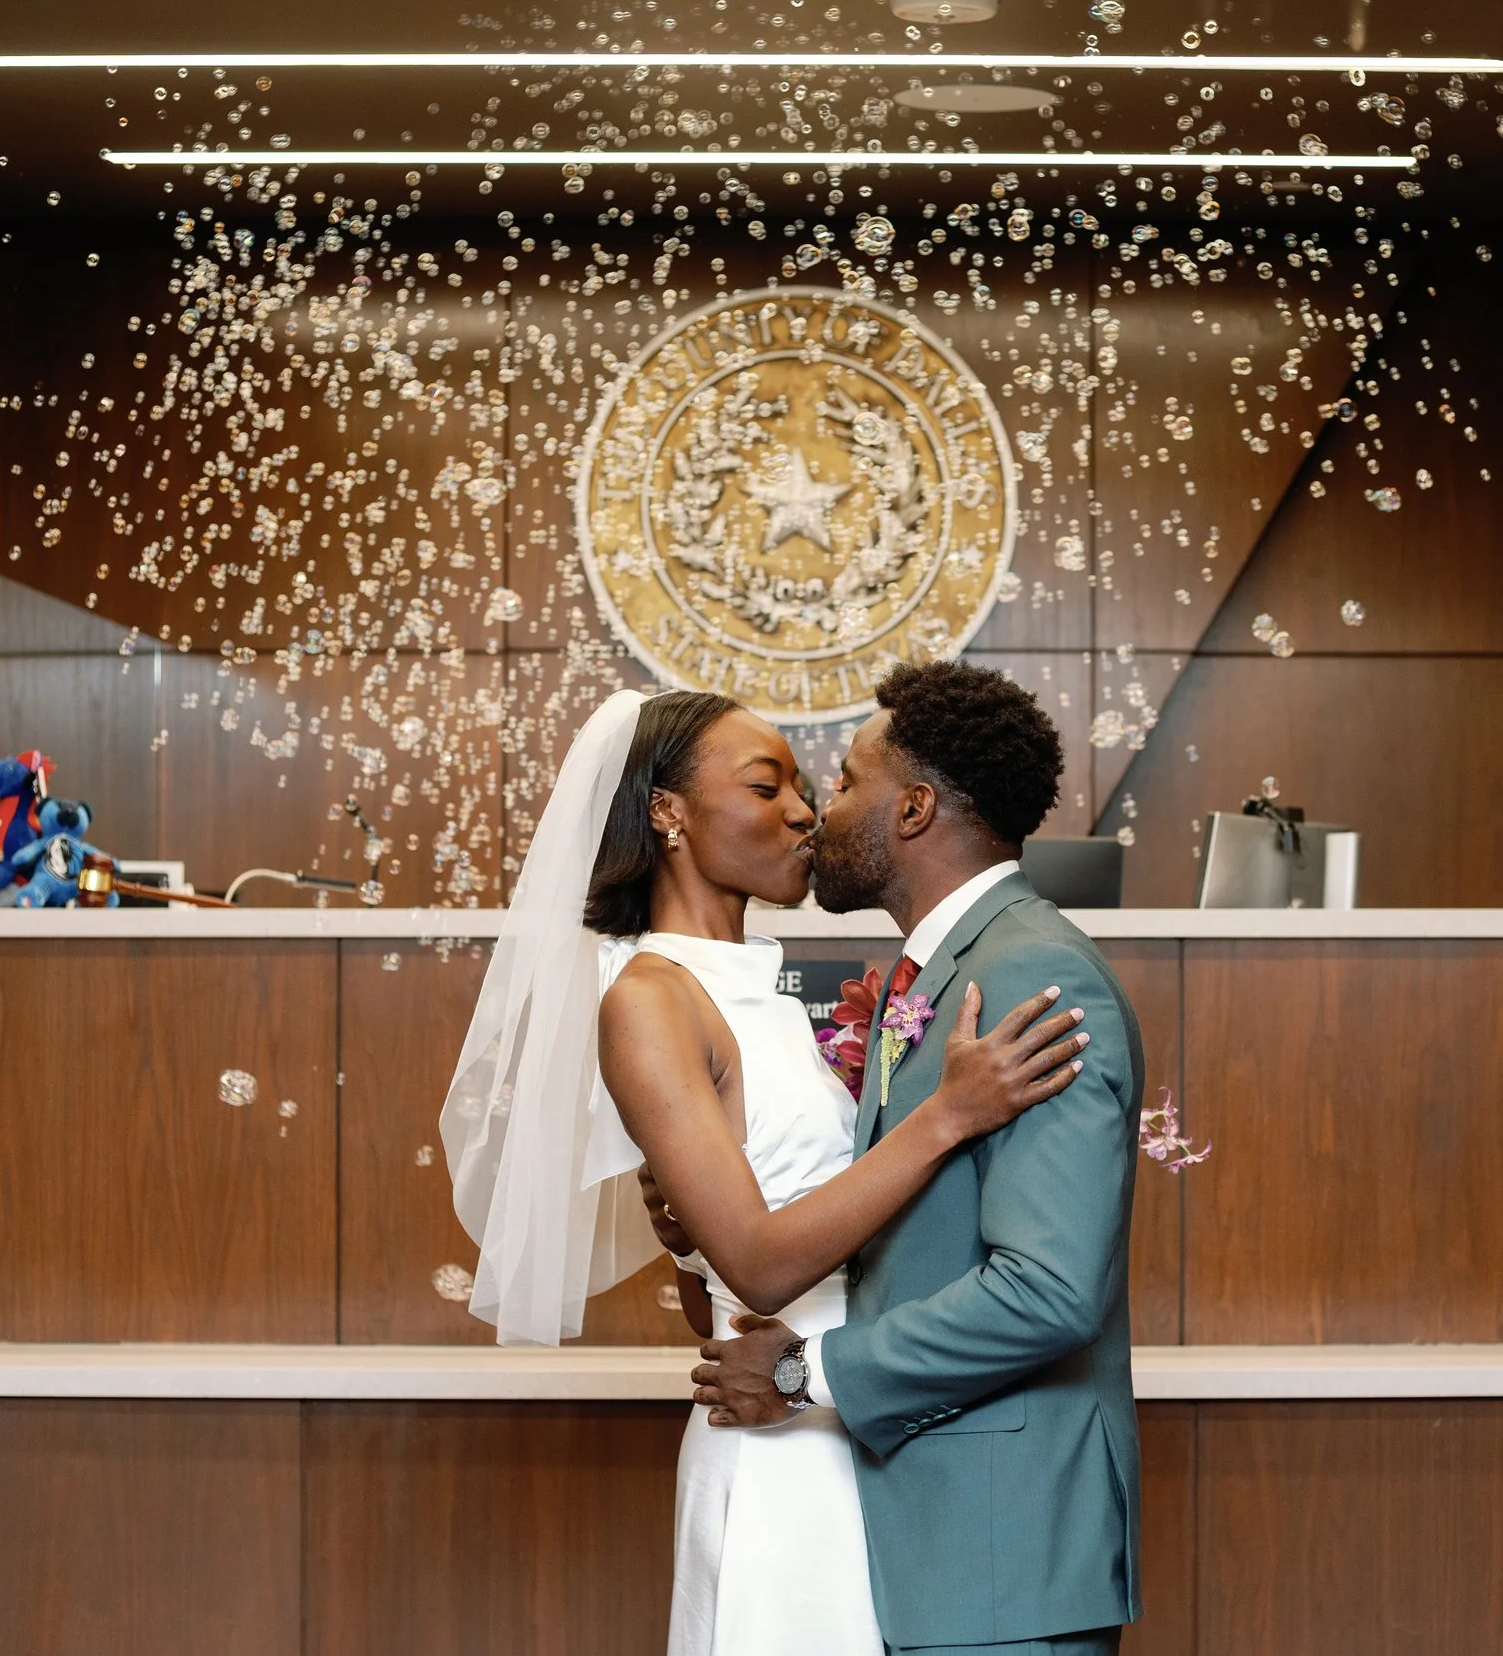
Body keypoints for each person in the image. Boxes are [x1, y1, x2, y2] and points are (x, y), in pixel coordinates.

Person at [439, 684, 1087, 1656]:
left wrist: (685, 1247)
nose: (800, 808)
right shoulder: (649, 997)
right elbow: (758, 1264)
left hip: (827, 1407)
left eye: (806, 783)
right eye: (765, 783)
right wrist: (948, 1114)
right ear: (666, 811)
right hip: (785, 1444)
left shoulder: (759, 988)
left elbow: (718, 1295)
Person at [678, 661, 1148, 1656]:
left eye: (846, 780)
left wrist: (809, 1372)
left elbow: (1050, 1289)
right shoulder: (946, 967)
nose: (819, 813)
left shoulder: (1033, 971)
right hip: (929, 1538)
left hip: (1002, 1548)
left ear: (916, 806)